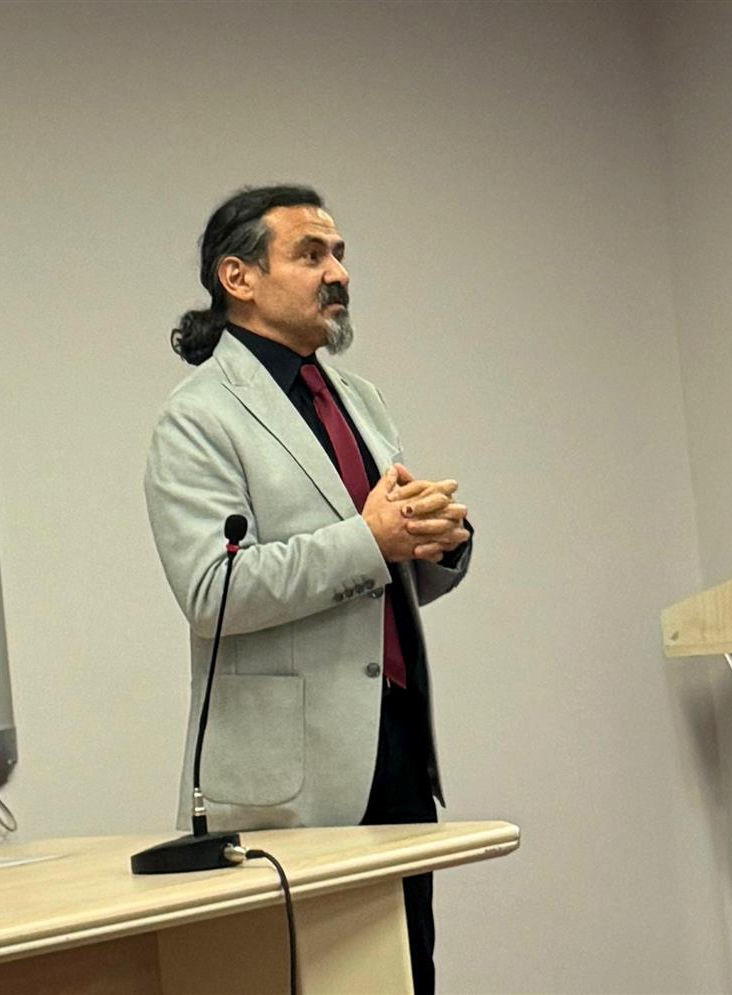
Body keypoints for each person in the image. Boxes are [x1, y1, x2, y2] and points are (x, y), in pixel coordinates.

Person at [143, 185, 473, 992]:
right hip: (289, 785)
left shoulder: (357, 397)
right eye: (312, 254)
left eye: (341, 255)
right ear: (238, 278)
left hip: (395, 744)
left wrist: (440, 540)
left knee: (407, 977)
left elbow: (376, 566)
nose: (339, 274)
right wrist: (371, 538)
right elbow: (214, 592)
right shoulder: (199, 417)